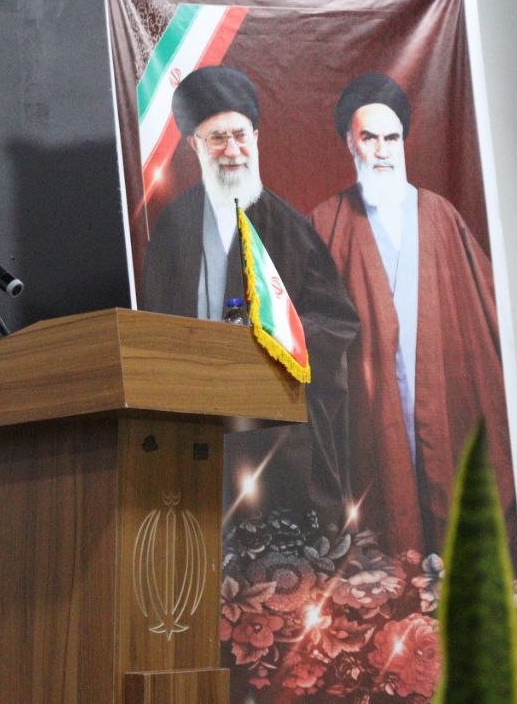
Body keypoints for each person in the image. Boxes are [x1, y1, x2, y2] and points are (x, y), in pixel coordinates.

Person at [140, 66, 359, 529]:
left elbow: (336, 321)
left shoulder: (289, 226)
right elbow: (153, 318)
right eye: (217, 138)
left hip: (272, 426)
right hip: (193, 414)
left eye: (240, 135)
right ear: (194, 145)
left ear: (256, 138)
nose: (232, 150)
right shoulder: (174, 224)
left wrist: (277, 336)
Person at [309, 73, 515, 555]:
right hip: (369, 402)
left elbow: (487, 307)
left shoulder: (441, 216)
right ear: (350, 143)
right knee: (383, 520)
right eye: (370, 138)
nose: (383, 151)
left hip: (439, 389)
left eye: (392, 138)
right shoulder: (325, 222)